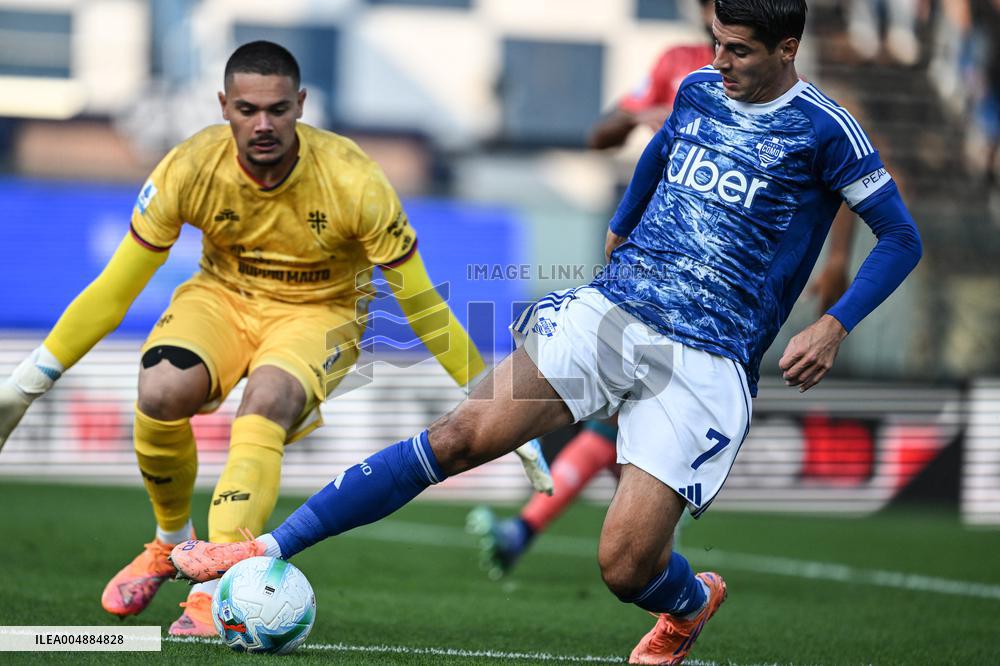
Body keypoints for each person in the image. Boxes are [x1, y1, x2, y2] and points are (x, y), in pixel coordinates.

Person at [170, 1, 923, 662]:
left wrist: (832, 324)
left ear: (787, 49)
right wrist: (622, 228)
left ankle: (689, 605)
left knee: (626, 568)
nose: (717, 61)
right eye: (715, 41)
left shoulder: (828, 132)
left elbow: (899, 238)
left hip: (709, 353)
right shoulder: (697, 89)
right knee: (463, 433)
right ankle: (263, 547)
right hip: (615, 311)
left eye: (738, 50)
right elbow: (658, 155)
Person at [0, 41, 504, 637]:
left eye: (277, 109)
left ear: (300, 105)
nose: (262, 124)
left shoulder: (354, 180)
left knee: (266, 401)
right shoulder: (189, 168)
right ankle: (169, 544)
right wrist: (27, 383)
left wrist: (490, 398)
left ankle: (213, 591)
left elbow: (422, 304)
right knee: (159, 391)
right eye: (246, 109)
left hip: (320, 312)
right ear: (223, 105)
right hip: (222, 298)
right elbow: (115, 288)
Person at [467, 0, 858, 580]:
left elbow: (853, 184)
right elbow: (602, 136)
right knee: (604, 433)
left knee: (618, 446)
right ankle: (551, 538)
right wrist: (643, 119)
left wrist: (839, 262)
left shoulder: (795, 103)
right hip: (641, 266)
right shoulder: (679, 67)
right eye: (710, 18)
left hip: (716, 312)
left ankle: (559, 539)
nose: (713, 30)